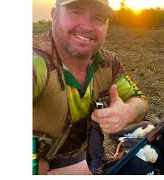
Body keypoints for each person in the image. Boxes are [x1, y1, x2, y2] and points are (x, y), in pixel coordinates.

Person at [33, 0, 148, 175]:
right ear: (54, 15)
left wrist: (128, 112)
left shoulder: (109, 63)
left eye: (98, 17)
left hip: (78, 156)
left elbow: (140, 99)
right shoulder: (36, 62)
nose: (87, 26)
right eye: (76, 12)